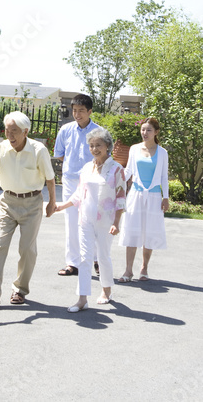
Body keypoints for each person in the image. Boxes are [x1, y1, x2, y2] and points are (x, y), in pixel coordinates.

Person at [0, 111, 56, 305]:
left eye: (15, 131)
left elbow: (50, 179)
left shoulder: (39, 150)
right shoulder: (0, 148)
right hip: (7, 202)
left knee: (27, 249)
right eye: (7, 130)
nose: (10, 135)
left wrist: (52, 202)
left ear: (26, 131)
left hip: (32, 203)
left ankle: (20, 289)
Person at [54, 127, 126, 312]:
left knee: (102, 256)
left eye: (98, 145)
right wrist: (62, 206)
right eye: (91, 146)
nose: (94, 149)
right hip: (85, 219)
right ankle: (82, 298)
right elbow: (79, 194)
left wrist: (116, 223)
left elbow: (120, 199)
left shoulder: (117, 169)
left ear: (107, 146)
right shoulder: (87, 168)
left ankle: (106, 291)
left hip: (106, 221)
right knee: (84, 258)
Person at [52, 93, 103, 277]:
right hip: (70, 181)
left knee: (93, 222)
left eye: (81, 110)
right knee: (72, 222)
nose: (77, 114)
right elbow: (59, 154)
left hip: (92, 182)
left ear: (89, 111)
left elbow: (105, 158)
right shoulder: (65, 130)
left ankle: (98, 260)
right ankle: (73, 263)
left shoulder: (99, 132)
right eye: (74, 110)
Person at [119, 117, 169, 282]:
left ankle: (144, 268)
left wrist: (166, 197)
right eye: (143, 129)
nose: (144, 133)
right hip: (136, 195)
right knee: (132, 230)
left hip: (154, 197)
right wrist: (116, 179)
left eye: (148, 130)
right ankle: (128, 270)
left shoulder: (162, 152)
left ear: (156, 132)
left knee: (149, 232)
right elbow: (128, 172)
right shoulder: (134, 149)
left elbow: (163, 177)